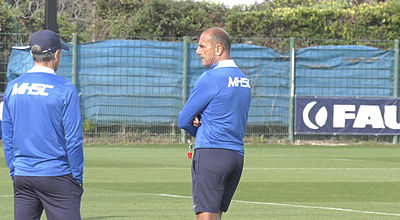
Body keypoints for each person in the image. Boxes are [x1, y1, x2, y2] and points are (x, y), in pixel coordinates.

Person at [2, 29, 84, 220]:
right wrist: (77, 177)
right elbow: (73, 138)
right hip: (57, 174)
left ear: (32, 53)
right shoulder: (65, 89)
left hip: (23, 175)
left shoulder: (13, 87)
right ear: (57, 55)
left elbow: (7, 133)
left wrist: (15, 170)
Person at [178, 27, 251, 220]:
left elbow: (183, 120)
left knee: (206, 217)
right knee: (216, 215)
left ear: (218, 49)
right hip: (235, 156)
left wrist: (197, 128)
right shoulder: (244, 80)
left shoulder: (210, 78)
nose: (197, 51)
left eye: (202, 46)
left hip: (211, 153)